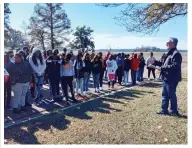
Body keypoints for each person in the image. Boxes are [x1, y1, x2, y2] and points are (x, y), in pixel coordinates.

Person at [152, 37, 182, 116]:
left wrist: (162, 68)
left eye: (168, 43)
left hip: (172, 78)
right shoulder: (167, 53)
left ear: (173, 44)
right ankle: (164, 110)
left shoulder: (176, 54)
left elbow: (175, 66)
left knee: (171, 95)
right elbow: (162, 63)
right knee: (164, 94)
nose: (166, 44)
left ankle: (174, 111)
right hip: (166, 77)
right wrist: (155, 62)